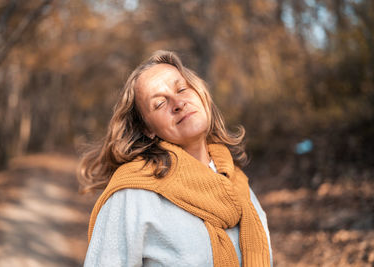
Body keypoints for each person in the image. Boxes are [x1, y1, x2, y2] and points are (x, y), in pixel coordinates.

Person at [79, 50, 272, 267]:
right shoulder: (132, 195)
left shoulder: (237, 183)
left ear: (200, 94)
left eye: (182, 89)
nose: (178, 102)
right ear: (147, 128)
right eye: (160, 103)